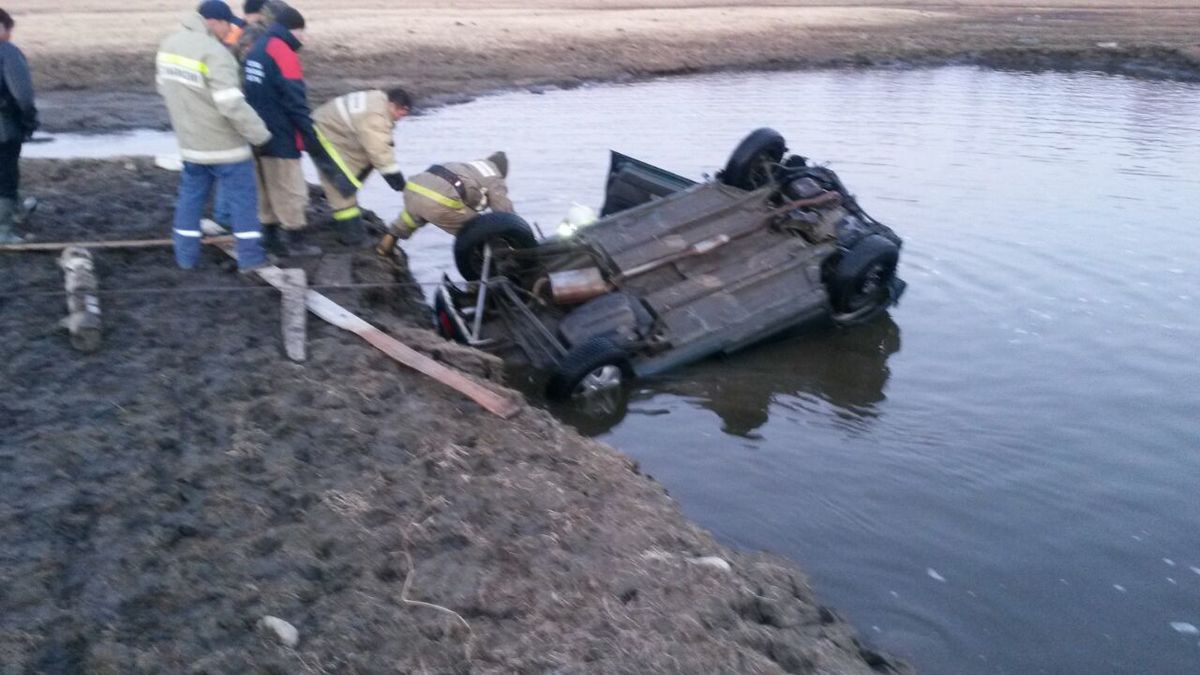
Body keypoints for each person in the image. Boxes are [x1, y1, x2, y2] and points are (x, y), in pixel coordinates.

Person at [156, 1, 271, 272]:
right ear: (213, 21)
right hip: (224, 146)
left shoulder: (168, 45)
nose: (230, 30)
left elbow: (165, 90)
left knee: (190, 198)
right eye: (227, 24)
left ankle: (185, 258)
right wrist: (260, 135)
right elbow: (231, 104)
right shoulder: (214, 53)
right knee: (243, 200)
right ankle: (251, 259)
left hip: (190, 143)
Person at [243, 6, 331, 257]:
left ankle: (270, 237)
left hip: (256, 131)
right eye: (303, 33)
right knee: (291, 189)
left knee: (264, 186)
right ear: (294, 29)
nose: (304, 39)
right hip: (281, 134)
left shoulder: (257, 49)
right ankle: (296, 242)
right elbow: (295, 99)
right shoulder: (283, 53)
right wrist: (309, 134)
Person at [312, 87, 412, 245]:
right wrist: (399, 183)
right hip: (323, 134)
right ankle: (352, 237)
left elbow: (381, 145)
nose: (401, 118)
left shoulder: (378, 101)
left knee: (354, 173)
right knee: (340, 184)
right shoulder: (375, 116)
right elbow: (379, 151)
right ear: (392, 105)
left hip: (334, 129)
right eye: (401, 113)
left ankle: (351, 225)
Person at [376, 152, 513, 256]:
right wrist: (518, 235)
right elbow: (505, 213)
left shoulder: (469, 166)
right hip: (440, 201)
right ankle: (482, 270)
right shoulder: (495, 177)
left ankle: (385, 246)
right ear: (502, 171)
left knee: (407, 220)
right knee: (479, 229)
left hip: (413, 188)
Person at [0, 7, 38, 244]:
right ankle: (3, 231)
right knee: (5, 178)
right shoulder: (7, 52)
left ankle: (17, 209)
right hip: (3, 129)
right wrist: (29, 120)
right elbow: (22, 95)